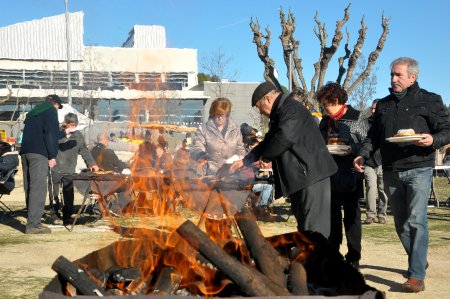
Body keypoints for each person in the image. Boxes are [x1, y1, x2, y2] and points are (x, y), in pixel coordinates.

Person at [354, 57, 450, 292]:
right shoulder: (384, 105)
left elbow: (446, 130)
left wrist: (433, 140)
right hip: (391, 169)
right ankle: (419, 258)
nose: (393, 79)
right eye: (392, 75)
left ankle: (416, 275)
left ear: (412, 77)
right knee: (401, 224)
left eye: (398, 75)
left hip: (419, 167)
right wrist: (363, 154)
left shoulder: (430, 100)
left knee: (417, 220)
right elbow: (373, 136)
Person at [230, 81, 337, 239]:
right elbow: (269, 140)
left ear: (267, 99)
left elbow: (284, 137)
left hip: (312, 175)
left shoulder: (291, 109)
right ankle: (308, 260)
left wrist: (266, 157)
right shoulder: (281, 112)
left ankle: (319, 260)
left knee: (314, 227)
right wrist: (245, 160)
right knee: (305, 227)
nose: (261, 113)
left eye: (260, 108)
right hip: (303, 177)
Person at [317, 82, 369, 269]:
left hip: (351, 174)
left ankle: (354, 257)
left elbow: (367, 143)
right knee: (331, 217)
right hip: (329, 174)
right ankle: (333, 254)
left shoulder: (357, 117)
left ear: (336, 100)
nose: (324, 108)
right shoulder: (324, 120)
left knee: (352, 217)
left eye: (326, 104)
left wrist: (354, 151)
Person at [190, 98, 246, 239]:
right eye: (217, 115)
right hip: (212, 176)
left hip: (231, 177)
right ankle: (212, 240)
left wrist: (238, 157)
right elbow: (196, 146)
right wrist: (201, 156)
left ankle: (228, 240)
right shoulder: (204, 129)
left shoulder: (235, 128)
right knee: (212, 213)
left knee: (228, 212)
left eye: (223, 115)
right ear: (212, 113)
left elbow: (240, 148)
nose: (220, 118)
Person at [20, 94, 63, 234]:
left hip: (26, 152)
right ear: (55, 104)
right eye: (58, 106)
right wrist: (52, 155)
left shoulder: (33, 112)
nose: (58, 109)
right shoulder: (50, 110)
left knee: (30, 188)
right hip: (39, 154)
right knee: (38, 188)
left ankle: (31, 220)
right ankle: (33, 225)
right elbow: (50, 133)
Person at [48, 113, 99, 225]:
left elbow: (84, 151)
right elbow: (48, 145)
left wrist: (91, 163)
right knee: (54, 193)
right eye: (70, 125)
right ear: (65, 123)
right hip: (54, 168)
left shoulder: (78, 136)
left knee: (68, 194)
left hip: (69, 169)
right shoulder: (56, 133)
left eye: (74, 125)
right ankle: (54, 214)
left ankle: (67, 216)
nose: (73, 127)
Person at [90, 133, 132, 213]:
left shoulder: (90, 152)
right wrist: (128, 166)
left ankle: (98, 206)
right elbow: (118, 164)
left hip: (94, 183)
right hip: (108, 182)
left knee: (104, 188)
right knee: (127, 187)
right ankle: (115, 208)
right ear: (106, 141)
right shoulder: (108, 152)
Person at [363, 100, 388, 225]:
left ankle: (382, 214)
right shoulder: (365, 122)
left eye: (375, 108)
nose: (373, 111)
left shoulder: (386, 122)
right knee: (370, 187)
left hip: (383, 160)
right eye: (372, 108)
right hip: (368, 161)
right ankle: (370, 215)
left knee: (383, 189)